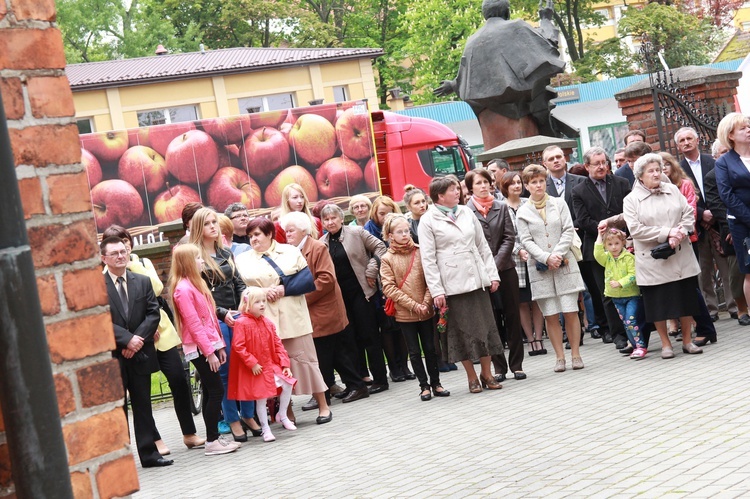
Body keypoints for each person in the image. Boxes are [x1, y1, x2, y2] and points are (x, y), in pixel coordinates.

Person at [102, 226, 204, 455]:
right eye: (117, 246)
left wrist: (133, 266)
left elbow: (156, 291)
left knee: (178, 378)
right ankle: (155, 439)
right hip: (135, 342)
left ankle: (189, 432)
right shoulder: (103, 280)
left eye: (125, 243)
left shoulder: (144, 264)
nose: (123, 250)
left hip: (160, 333)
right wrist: (133, 339)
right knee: (141, 393)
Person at [235, 217, 333, 424]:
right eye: (250, 236)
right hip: (266, 319)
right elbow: (243, 289)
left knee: (306, 361)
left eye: (257, 235)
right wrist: (263, 290)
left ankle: (323, 406)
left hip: (293, 315)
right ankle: (287, 412)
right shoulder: (243, 259)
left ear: (269, 234)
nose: (253, 239)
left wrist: (283, 289)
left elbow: (306, 280)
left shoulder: (289, 251)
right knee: (277, 368)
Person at [434, 0, 565, 143]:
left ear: (484, 15)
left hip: (493, 108)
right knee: (542, 100)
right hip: (525, 105)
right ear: (507, 12)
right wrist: (546, 20)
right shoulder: (516, 26)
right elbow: (548, 45)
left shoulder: (472, 41)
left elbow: (468, 76)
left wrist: (453, 85)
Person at [419, 175, 504, 393]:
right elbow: (428, 259)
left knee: (485, 328)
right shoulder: (428, 220)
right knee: (462, 333)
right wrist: (437, 290)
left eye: (458, 189)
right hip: (452, 284)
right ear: (440, 196)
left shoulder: (466, 212)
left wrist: (492, 275)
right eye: (453, 190)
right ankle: (472, 377)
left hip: (476, 279)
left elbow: (482, 246)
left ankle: (487, 373)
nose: (458, 192)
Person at [281, 212, 370, 407]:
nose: (287, 234)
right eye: (285, 230)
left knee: (329, 352)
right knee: (329, 352)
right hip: (312, 312)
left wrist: (302, 298)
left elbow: (326, 279)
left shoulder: (317, 247)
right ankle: (335, 388)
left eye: (291, 230)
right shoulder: (292, 250)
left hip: (324, 309)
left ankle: (346, 387)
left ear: (303, 229)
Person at [189, 208, 259, 441]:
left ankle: (248, 415)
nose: (213, 226)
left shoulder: (225, 251)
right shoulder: (193, 256)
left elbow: (238, 281)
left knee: (247, 366)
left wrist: (243, 303)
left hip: (238, 315)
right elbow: (200, 293)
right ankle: (233, 419)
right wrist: (221, 313)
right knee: (227, 373)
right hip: (215, 320)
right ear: (199, 228)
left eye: (215, 222)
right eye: (207, 223)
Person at [623, 153, 703, 358]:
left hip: (679, 254)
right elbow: (635, 229)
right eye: (651, 171)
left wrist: (681, 232)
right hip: (653, 259)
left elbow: (688, 213)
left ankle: (687, 341)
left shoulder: (672, 190)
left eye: (658, 169)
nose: (657, 173)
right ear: (640, 176)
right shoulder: (631, 200)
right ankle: (666, 344)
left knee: (686, 299)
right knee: (657, 304)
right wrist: (667, 233)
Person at [101, 236, 171, 467]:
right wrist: (126, 340)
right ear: (104, 258)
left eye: (123, 251)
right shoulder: (96, 286)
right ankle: (120, 461)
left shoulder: (141, 281)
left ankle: (149, 455)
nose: (121, 256)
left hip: (140, 354)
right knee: (117, 409)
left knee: (143, 406)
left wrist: (136, 341)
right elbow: (99, 319)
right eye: (115, 253)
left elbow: (153, 313)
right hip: (114, 357)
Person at [170, 244, 239, 456]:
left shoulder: (196, 284)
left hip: (208, 345)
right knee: (217, 390)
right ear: (188, 262)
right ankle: (211, 441)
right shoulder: (183, 290)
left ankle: (214, 438)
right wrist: (209, 352)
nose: (202, 261)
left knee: (211, 390)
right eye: (198, 258)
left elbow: (210, 318)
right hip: (200, 348)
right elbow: (194, 324)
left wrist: (219, 345)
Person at [516, 165, 586, 373]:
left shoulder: (558, 203)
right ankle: (559, 358)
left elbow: (567, 230)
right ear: (526, 186)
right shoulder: (522, 211)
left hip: (564, 263)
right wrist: (546, 258)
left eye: (541, 181)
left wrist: (557, 254)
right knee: (551, 314)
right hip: (540, 269)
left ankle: (575, 354)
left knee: (571, 310)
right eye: (533, 182)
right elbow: (526, 240)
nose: (538, 185)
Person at [319, 204, 390, 394]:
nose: (330, 222)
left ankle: (381, 379)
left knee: (369, 335)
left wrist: (372, 268)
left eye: (333, 218)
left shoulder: (356, 232)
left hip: (361, 292)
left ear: (341, 218)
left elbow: (381, 247)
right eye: (326, 219)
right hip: (339, 299)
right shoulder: (322, 242)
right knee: (349, 339)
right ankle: (360, 379)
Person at [380, 214, 450, 401]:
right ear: (390, 235)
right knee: (414, 351)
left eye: (406, 230)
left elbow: (430, 277)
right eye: (399, 232)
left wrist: (426, 302)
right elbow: (389, 287)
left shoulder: (420, 251)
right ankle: (424, 386)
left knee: (430, 347)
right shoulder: (387, 258)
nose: (404, 234)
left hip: (425, 309)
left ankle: (436, 383)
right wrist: (413, 305)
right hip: (405, 313)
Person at [465, 169, 525, 381]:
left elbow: (509, 237)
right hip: (481, 274)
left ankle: (517, 364)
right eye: (478, 183)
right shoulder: (466, 212)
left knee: (512, 316)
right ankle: (499, 367)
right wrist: (487, 269)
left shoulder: (501, 207)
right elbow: (470, 244)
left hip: (506, 270)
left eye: (486, 182)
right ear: (470, 187)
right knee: (491, 320)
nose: (483, 186)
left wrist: (496, 265)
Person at [572, 147, 630, 350]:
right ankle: (617, 334)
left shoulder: (622, 183)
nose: (601, 166)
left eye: (604, 162)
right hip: (596, 248)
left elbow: (629, 211)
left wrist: (620, 232)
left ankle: (635, 328)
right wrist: (604, 231)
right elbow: (582, 219)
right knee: (606, 292)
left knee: (628, 286)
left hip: (624, 244)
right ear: (587, 166)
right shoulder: (578, 190)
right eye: (596, 163)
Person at [228, 287, 297, 442]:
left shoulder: (268, 323)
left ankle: (282, 415)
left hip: (270, 365)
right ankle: (265, 429)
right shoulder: (242, 323)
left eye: (263, 301)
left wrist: (285, 364)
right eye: (257, 302)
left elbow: (277, 344)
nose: (262, 305)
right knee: (261, 398)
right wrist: (252, 363)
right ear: (247, 304)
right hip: (258, 369)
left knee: (287, 384)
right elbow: (238, 346)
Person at [675, 126, 729, 321]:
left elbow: (722, 186)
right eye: (682, 141)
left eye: (689, 138)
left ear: (697, 140)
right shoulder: (677, 169)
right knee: (703, 269)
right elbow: (679, 199)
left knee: (725, 265)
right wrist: (700, 214)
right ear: (678, 146)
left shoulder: (712, 161)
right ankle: (711, 308)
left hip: (718, 221)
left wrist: (714, 213)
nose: (686, 142)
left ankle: (732, 305)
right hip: (696, 224)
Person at [363, 195, 413, 382]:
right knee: (387, 327)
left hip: (401, 283)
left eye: (389, 212)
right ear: (375, 213)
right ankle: (394, 367)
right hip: (379, 286)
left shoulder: (401, 228)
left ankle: (405, 366)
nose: (385, 217)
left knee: (402, 327)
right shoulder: (368, 230)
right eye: (381, 213)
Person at [705, 136, 750, 326]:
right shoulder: (712, 177)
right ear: (716, 157)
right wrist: (730, 227)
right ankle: (741, 308)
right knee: (737, 272)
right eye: (722, 153)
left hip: (741, 221)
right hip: (730, 228)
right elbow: (718, 205)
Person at [500, 171, 546, 356]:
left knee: (537, 299)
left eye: (519, 182)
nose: (517, 186)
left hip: (534, 255)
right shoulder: (500, 207)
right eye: (513, 183)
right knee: (521, 301)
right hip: (514, 260)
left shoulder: (529, 203)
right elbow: (503, 235)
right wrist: (518, 249)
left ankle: (540, 337)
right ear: (505, 187)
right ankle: (530, 339)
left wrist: (532, 248)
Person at [715, 113, 750, 316]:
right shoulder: (724, 162)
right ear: (730, 135)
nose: (748, 130)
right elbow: (726, 195)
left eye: (748, 126)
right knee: (749, 270)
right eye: (743, 128)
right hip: (741, 223)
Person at [593, 228, 647, 359]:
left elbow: (633, 274)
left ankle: (640, 346)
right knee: (626, 323)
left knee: (631, 320)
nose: (613, 247)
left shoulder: (628, 257)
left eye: (617, 243)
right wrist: (599, 236)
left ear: (623, 242)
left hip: (631, 295)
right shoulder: (607, 258)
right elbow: (597, 253)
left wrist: (621, 282)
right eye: (610, 244)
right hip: (616, 297)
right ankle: (634, 345)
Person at [543, 145, 585, 222]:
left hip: (580, 230)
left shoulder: (581, 181)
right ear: (545, 164)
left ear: (565, 159)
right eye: (551, 159)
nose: (556, 160)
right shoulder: (542, 186)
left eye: (558, 157)